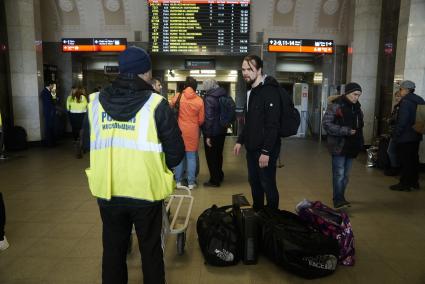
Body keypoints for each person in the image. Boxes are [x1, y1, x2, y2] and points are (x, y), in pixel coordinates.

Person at [84, 46, 184, 284]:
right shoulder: (156, 104)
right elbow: (176, 152)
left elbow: (90, 144)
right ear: (145, 72)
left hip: (108, 192)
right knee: (150, 249)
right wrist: (158, 166)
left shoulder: (95, 103)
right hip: (145, 192)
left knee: (113, 251)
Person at [233, 55, 281, 210]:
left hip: (266, 150)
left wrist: (266, 151)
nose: (245, 73)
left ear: (259, 70)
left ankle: (273, 217)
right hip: (252, 149)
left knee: (268, 184)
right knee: (254, 182)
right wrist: (240, 140)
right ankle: (258, 212)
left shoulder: (270, 91)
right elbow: (250, 122)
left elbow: (273, 125)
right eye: (243, 69)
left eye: (250, 69)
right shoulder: (251, 92)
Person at [322, 82, 364, 209]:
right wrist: (345, 130)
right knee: (339, 174)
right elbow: (327, 124)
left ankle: (341, 196)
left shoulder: (358, 108)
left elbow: (360, 126)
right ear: (347, 93)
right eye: (354, 94)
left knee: (346, 175)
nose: (356, 97)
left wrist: (360, 142)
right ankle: (338, 199)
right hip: (338, 145)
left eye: (358, 95)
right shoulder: (335, 106)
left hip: (352, 145)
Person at [170, 76, 205, 190]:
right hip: (193, 132)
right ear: (195, 87)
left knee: (180, 157)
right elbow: (201, 120)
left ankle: (178, 182)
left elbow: (170, 106)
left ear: (185, 86)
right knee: (191, 157)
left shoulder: (178, 97)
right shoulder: (199, 101)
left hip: (179, 131)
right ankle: (191, 183)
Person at [390, 80, 424, 191]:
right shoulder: (419, 100)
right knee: (413, 160)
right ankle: (414, 182)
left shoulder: (406, 102)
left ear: (406, 89)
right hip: (416, 134)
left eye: (400, 89)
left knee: (405, 161)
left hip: (405, 136)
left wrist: (396, 135)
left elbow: (402, 121)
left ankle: (405, 184)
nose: (400, 91)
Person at [202, 79, 227, 187]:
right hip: (222, 130)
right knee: (218, 154)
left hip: (213, 132)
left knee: (211, 157)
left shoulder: (209, 98)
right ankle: (219, 175)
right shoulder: (223, 94)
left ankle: (214, 180)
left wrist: (207, 135)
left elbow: (209, 118)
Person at [385, 91, 402, 176]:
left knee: (391, 151)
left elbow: (395, 119)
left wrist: (389, 120)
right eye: (396, 96)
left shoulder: (400, 107)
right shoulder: (396, 106)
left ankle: (395, 168)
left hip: (397, 133)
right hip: (394, 132)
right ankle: (395, 167)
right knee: (393, 151)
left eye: (399, 96)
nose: (397, 98)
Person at [40, 82, 57, 147]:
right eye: (53, 85)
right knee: (49, 127)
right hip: (49, 112)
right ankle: (49, 143)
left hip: (49, 112)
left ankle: (51, 142)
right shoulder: (45, 92)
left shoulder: (48, 91)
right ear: (50, 85)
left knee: (50, 127)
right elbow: (49, 103)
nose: (53, 87)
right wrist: (53, 110)